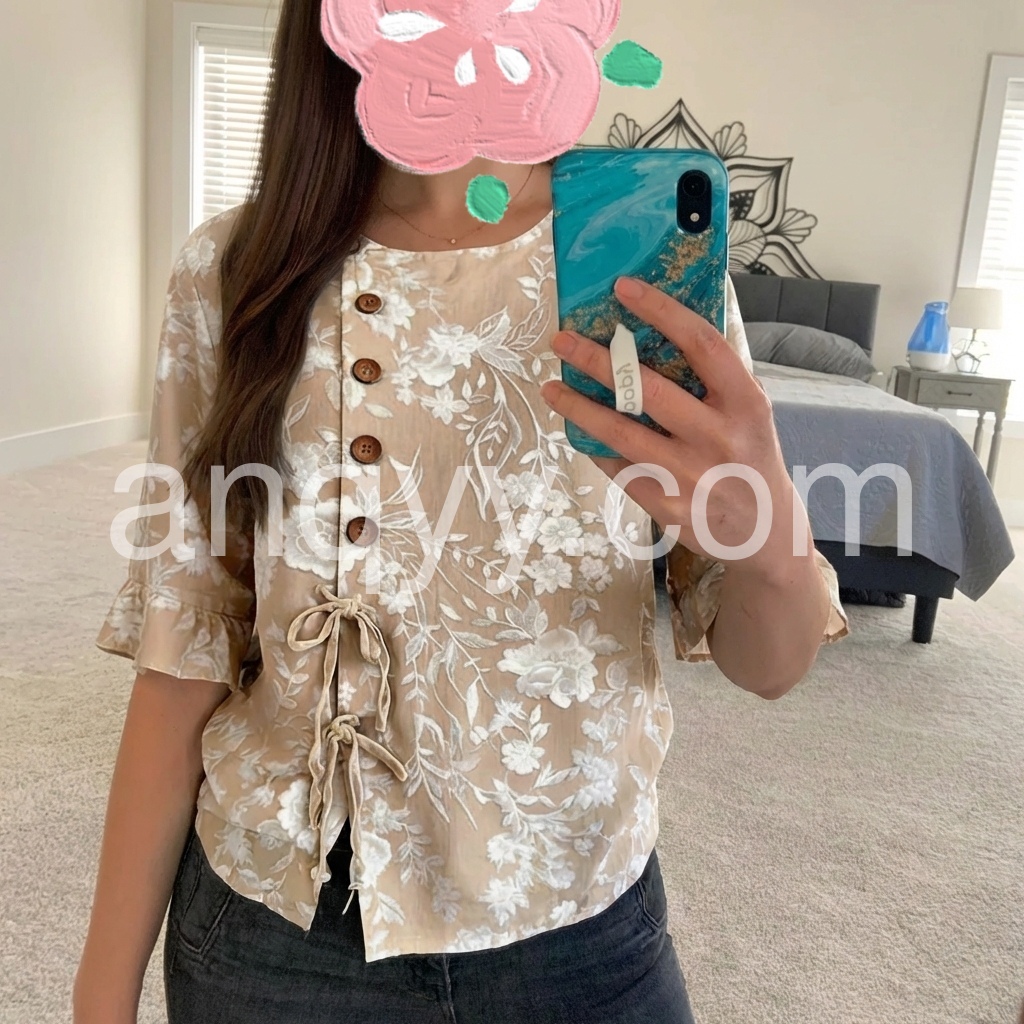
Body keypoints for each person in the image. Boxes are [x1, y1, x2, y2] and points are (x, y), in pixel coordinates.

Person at [73, 2, 848, 1021]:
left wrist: (773, 539)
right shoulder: (233, 267)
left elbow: (769, 664)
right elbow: (186, 648)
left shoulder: (646, 271)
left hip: (582, 927)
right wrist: (99, 997)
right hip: (277, 941)